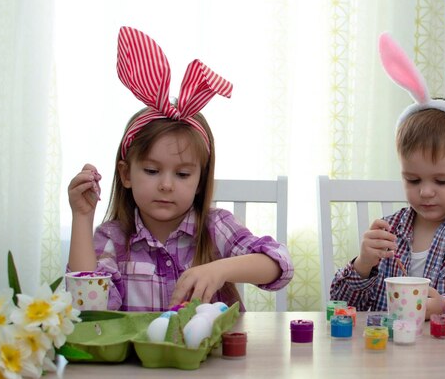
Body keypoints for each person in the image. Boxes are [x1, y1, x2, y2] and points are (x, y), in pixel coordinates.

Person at [67, 27, 293, 312]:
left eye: (183, 174)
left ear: (199, 180)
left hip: (211, 358)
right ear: (126, 174)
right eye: (151, 171)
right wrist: (82, 217)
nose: (166, 185)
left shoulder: (214, 226)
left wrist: (219, 270)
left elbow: (280, 264)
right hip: (137, 358)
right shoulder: (112, 238)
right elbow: (87, 309)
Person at [330, 33, 445, 319]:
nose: (425, 191)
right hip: (388, 352)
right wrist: (363, 263)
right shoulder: (392, 229)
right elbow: (341, 304)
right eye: (413, 180)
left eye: (441, 181)